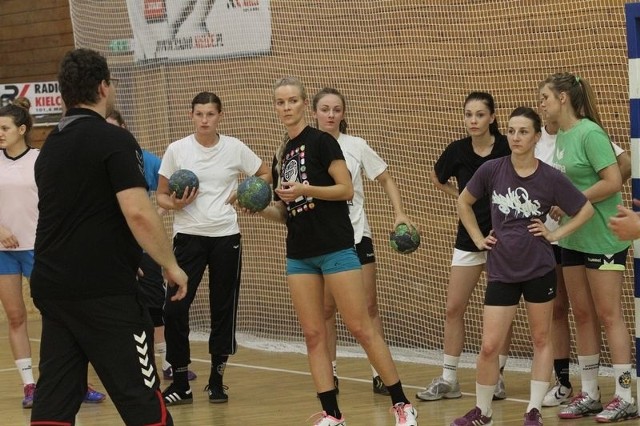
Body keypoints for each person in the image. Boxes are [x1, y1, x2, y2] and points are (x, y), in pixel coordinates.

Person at [29, 48, 187, 426]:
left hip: (53, 285)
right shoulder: (113, 139)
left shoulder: (50, 146)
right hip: (104, 293)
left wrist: (122, 256)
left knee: (55, 397)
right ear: (103, 87)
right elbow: (137, 212)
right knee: (141, 396)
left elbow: (76, 217)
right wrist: (170, 265)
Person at [257, 76, 418, 426]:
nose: (286, 107)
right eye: (280, 102)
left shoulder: (323, 143)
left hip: (336, 248)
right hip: (300, 253)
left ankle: (402, 404)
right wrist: (257, 208)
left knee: (361, 327)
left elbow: (345, 190)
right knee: (314, 334)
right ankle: (332, 414)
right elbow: (286, 212)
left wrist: (305, 188)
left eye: (292, 101)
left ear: (304, 105)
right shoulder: (282, 152)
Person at [451, 106, 594, 426]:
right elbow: (464, 201)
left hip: (539, 268)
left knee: (541, 339)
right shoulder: (492, 169)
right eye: (512, 131)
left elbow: (584, 210)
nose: (516, 137)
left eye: (524, 132)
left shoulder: (551, 177)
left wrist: (555, 233)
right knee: (489, 345)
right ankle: (482, 411)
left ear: (536, 137)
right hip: (501, 269)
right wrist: (476, 237)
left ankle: (533, 410)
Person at [156, 91, 271, 406]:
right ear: (191, 115)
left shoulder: (234, 148)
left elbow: (265, 173)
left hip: (225, 237)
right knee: (174, 308)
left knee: (224, 308)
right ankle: (181, 382)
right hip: (188, 238)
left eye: (210, 114)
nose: (204, 120)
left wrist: (246, 192)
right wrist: (176, 202)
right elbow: (162, 196)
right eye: (199, 114)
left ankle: (217, 381)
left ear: (219, 116)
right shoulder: (177, 150)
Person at [539, 72, 637, 421]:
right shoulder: (562, 136)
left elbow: (612, 181)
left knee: (609, 315)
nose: (542, 106)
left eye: (545, 99)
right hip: (573, 237)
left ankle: (626, 394)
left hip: (604, 235)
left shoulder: (590, 132)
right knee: (582, 315)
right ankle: (590, 392)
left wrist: (572, 198)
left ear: (563, 98)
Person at [0, 97, 106, 409]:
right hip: (4, 252)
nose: (0, 133)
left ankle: (75, 382)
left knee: (61, 316)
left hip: (42, 247)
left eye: (5, 128)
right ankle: (30, 385)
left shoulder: (41, 159)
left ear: (22, 129)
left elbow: (57, 202)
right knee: (16, 316)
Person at [311, 87, 415, 396]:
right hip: (323, 241)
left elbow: (385, 178)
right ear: (315, 112)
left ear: (343, 114)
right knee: (327, 310)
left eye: (336, 109)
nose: (331, 114)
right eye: (325, 109)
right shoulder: (307, 147)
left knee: (369, 307)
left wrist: (399, 212)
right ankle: (330, 374)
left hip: (356, 236)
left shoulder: (356, 145)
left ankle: (380, 374)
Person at [417, 92, 512, 402]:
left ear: (493, 117)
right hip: (468, 239)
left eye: (480, 114)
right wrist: (459, 198)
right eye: (469, 114)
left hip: (504, 238)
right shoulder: (457, 150)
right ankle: (449, 378)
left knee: (500, 310)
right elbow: (436, 176)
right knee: (453, 308)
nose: (473, 120)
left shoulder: (505, 147)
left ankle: (496, 377)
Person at [106, 109, 197, 383]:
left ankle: (167, 362)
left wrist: (161, 211)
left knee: (155, 306)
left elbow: (165, 191)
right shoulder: (96, 160)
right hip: (110, 249)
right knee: (116, 307)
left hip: (143, 247)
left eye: (114, 127)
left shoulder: (143, 159)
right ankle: (122, 364)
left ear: (124, 127)